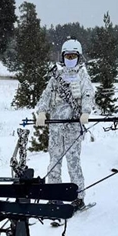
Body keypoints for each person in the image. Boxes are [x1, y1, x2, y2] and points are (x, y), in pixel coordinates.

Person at [34, 38, 96, 210]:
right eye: (67, 56)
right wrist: (41, 112)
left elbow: (88, 94)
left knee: (73, 162)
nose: (70, 59)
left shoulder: (82, 75)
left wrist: (85, 112)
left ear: (78, 57)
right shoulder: (57, 76)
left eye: (73, 56)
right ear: (62, 57)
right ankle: (54, 196)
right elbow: (46, 95)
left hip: (73, 127)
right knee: (54, 162)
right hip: (56, 127)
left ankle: (78, 197)